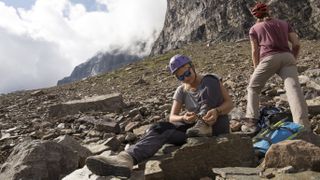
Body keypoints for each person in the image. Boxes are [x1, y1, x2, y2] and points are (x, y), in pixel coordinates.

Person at [85, 54, 234, 178]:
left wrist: (217, 111)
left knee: (209, 79)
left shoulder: (211, 80)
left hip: (217, 125)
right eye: (181, 77)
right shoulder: (181, 91)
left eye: (187, 73)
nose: (186, 78)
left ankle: (204, 124)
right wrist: (183, 118)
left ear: (192, 66)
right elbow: (172, 117)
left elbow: (229, 104)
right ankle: (126, 159)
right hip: (194, 131)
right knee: (160, 127)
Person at [241, 2, 311, 134]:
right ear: (269, 12)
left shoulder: (254, 28)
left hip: (269, 58)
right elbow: (296, 44)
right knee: (294, 90)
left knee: (253, 88)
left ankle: (251, 122)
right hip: (287, 57)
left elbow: (255, 51)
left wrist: (256, 68)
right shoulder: (284, 24)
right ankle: (303, 127)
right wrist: (292, 59)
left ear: (256, 16)